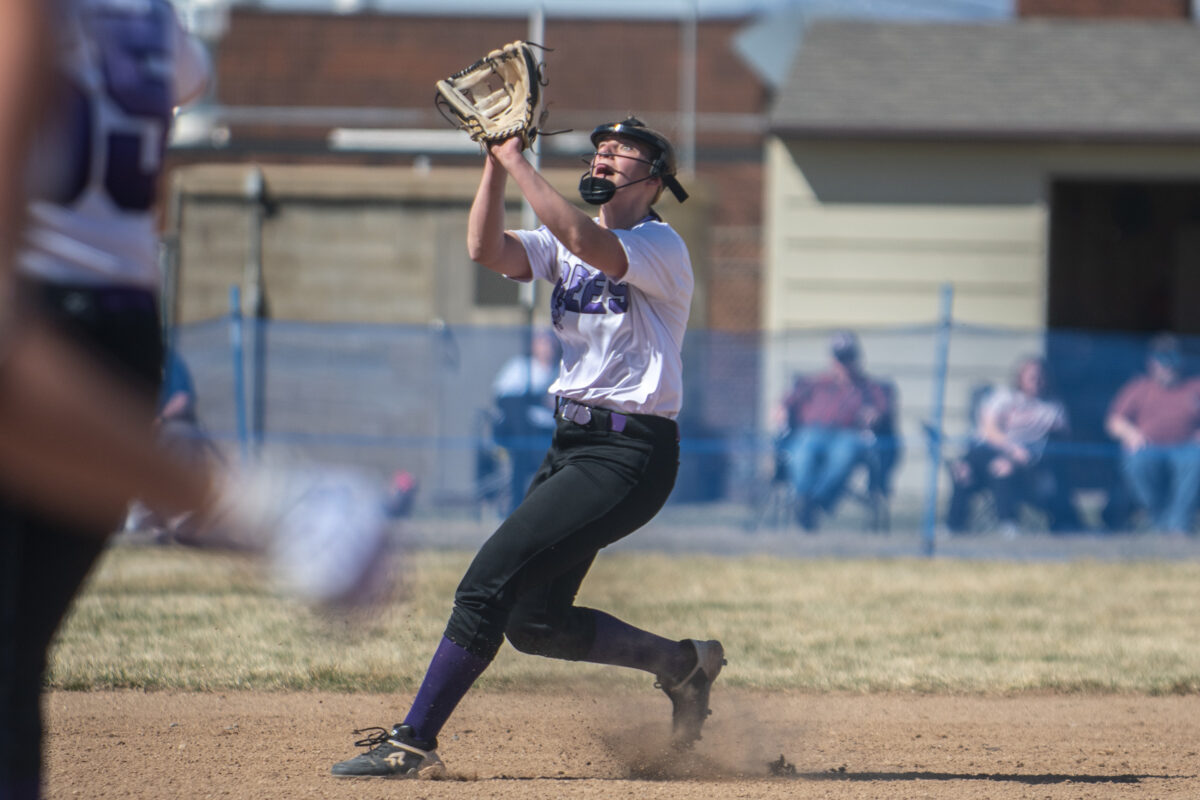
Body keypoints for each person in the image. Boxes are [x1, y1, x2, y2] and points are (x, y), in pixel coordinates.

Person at [0, 5, 389, 799]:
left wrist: (247, 501)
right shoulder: (146, 10)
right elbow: (177, 94)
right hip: (117, 321)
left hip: (37, 328)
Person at [330, 117, 724, 779]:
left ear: (655, 179)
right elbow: (487, 250)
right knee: (534, 622)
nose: (603, 157)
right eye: (599, 149)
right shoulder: (568, 240)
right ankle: (682, 665)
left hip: (629, 455)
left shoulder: (660, 246)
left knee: (485, 584)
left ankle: (414, 739)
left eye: (621, 152)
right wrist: (492, 162)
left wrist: (516, 159)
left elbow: (581, 236)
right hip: (573, 442)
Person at [945, 355, 1078, 536]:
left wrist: (1024, 453)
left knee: (1002, 468)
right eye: (1032, 377)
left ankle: (1008, 523)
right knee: (962, 469)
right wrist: (1011, 448)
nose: (1037, 381)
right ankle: (953, 526)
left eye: (1041, 377)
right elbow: (989, 430)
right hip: (986, 450)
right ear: (1020, 378)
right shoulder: (1003, 397)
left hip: (1026, 460)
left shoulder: (1052, 408)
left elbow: (1063, 438)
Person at [778, 331, 892, 532]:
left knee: (844, 453)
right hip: (812, 433)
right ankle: (804, 499)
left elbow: (882, 410)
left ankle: (814, 502)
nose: (844, 365)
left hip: (850, 435)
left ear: (857, 359)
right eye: (840, 359)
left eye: (849, 358)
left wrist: (874, 415)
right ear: (832, 360)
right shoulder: (815, 383)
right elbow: (787, 402)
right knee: (802, 451)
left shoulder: (869, 387)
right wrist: (781, 410)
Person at [1105, 334, 1200, 534]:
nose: (1169, 366)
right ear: (1152, 363)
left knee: (1195, 461)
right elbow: (1113, 422)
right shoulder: (1138, 388)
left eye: (1173, 359)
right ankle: (1160, 519)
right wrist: (1131, 434)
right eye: (1163, 360)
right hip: (1148, 449)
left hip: (1186, 449)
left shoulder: (1195, 386)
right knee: (1136, 463)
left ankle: (1177, 525)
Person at [490, 328, 557, 514]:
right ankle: (516, 508)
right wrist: (537, 400)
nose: (546, 347)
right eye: (542, 342)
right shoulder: (520, 367)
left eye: (549, 342)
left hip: (548, 433)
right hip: (520, 433)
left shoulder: (560, 370)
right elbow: (505, 400)